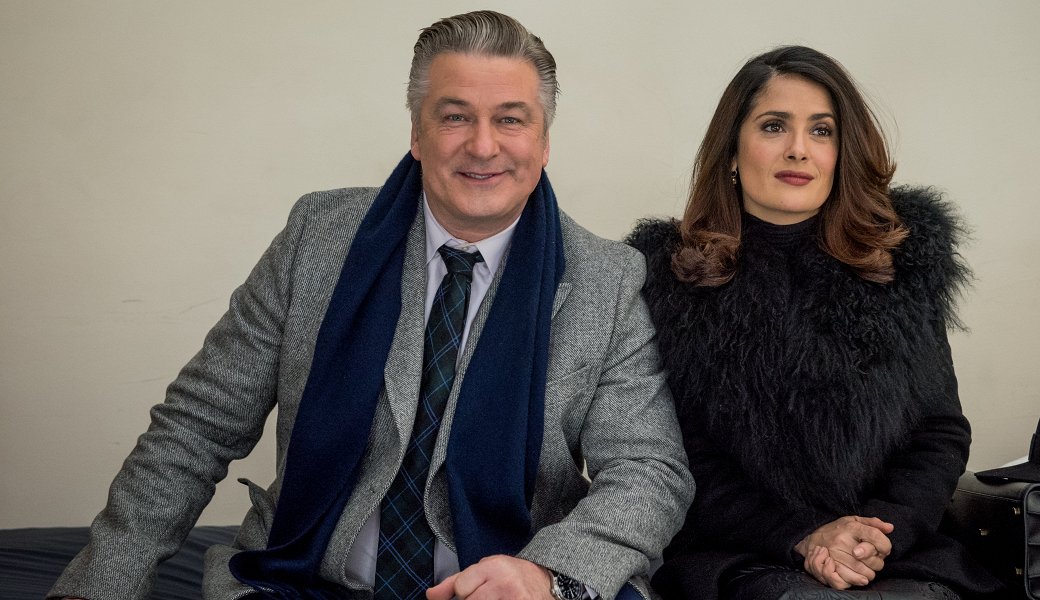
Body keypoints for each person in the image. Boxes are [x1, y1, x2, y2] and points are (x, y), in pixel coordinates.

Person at [49, 11, 693, 600]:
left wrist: (546, 575)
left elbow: (649, 470)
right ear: (417, 132)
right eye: (455, 116)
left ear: (544, 141)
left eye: (510, 119)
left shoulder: (606, 279)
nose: (483, 145)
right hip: (304, 582)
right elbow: (197, 424)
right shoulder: (317, 239)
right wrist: (98, 588)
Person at [626, 46, 1004, 599]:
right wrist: (802, 535)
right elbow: (674, 455)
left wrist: (879, 536)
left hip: (894, 555)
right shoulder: (669, 278)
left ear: (842, 152)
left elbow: (938, 431)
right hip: (745, 552)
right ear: (731, 149)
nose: (799, 149)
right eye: (774, 126)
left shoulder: (903, 263)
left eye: (821, 131)